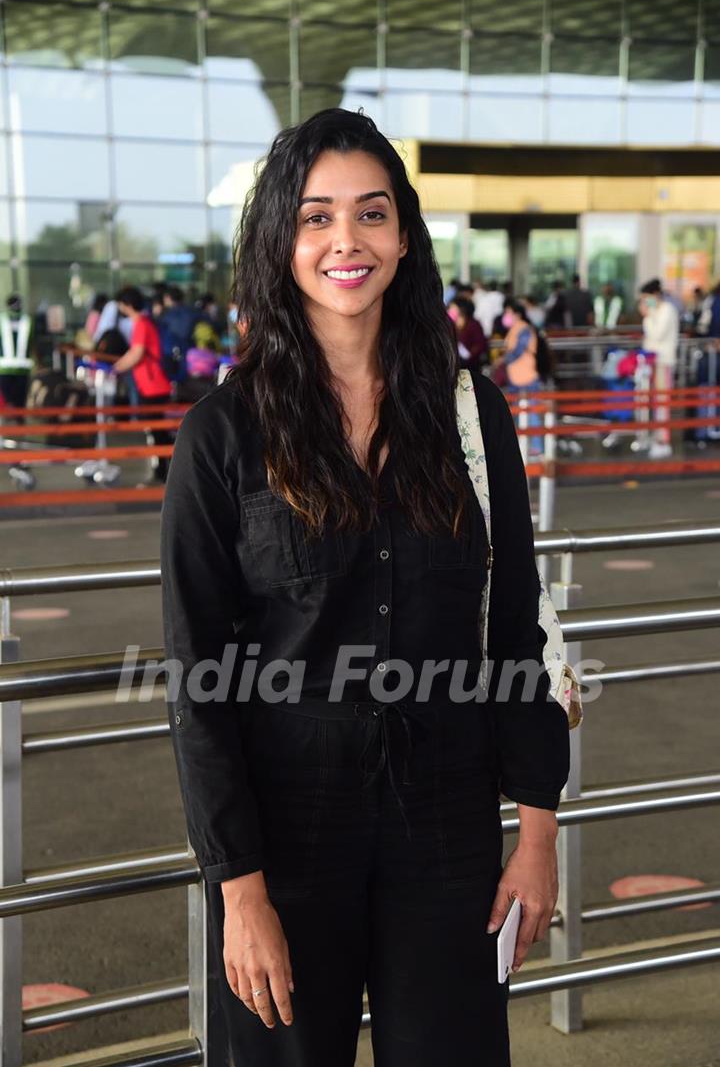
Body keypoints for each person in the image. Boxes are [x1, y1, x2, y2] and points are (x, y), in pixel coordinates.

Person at [161, 108, 570, 1067]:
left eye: (372, 214)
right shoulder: (222, 434)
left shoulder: (472, 415)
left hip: (448, 818)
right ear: (281, 240)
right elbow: (198, 679)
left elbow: (514, 627)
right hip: (287, 829)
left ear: (404, 236)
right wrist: (240, 888)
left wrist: (538, 829)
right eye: (316, 217)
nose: (347, 240)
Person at [112, 285, 173, 482]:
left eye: (121, 304)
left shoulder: (141, 324)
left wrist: (117, 368)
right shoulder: (144, 323)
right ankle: (165, 468)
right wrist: (119, 365)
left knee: (157, 429)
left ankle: (165, 470)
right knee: (157, 429)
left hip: (153, 384)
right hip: (152, 383)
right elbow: (134, 353)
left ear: (127, 304)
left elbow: (137, 354)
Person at [499, 297, 549, 457]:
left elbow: (517, 352)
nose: (505, 315)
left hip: (526, 377)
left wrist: (501, 360)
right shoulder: (515, 329)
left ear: (517, 314)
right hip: (517, 377)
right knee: (519, 412)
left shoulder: (524, 329)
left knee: (531, 412)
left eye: (508, 312)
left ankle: (537, 447)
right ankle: (523, 446)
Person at [639, 278, 679, 459]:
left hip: (663, 361)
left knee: (662, 402)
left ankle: (663, 441)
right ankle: (654, 437)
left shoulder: (667, 311)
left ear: (655, 295)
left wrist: (648, 316)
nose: (645, 302)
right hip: (652, 362)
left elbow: (656, 334)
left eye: (647, 298)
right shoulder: (657, 311)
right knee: (654, 401)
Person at [447, 294, 488, 369]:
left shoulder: (473, 325)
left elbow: (480, 345)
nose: (450, 310)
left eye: (453, 307)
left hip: (470, 366)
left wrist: (469, 356)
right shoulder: (450, 324)